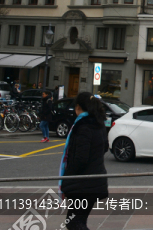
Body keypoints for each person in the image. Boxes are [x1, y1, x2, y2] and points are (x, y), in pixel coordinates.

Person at [59, 92, 109, 230]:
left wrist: (68, 177)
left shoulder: (83, 127)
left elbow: (80, 159)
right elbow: (105, 147)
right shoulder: (99, 124)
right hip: (94, 182)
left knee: (74, 223)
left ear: (79, 107)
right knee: (76, 221)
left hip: (83, 185)